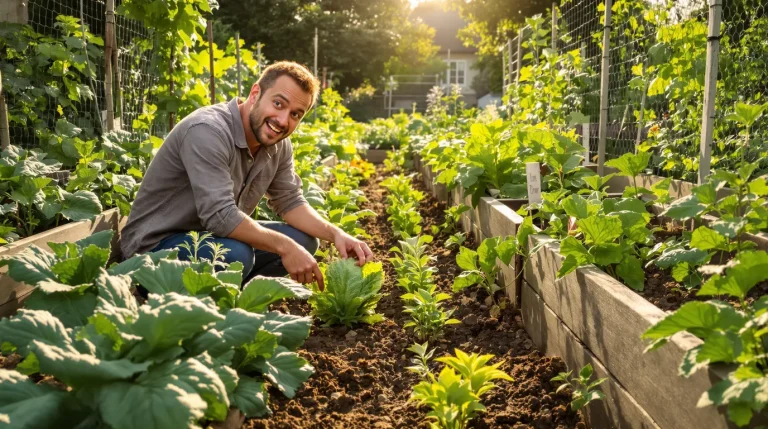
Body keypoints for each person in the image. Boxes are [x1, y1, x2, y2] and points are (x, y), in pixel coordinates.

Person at [120, 61, 373, 289]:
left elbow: (290, 201)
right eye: (278, 104)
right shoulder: (208, 130)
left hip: (208, 239)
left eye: (295, 114)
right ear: (255, 94)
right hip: (153, 249)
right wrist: (285, 247)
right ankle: (189, 300)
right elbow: (220, 216)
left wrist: (336, 233)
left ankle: (227, 297)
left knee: (304, 241)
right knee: (239, 255)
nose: (283, 120)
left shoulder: (278, 144)